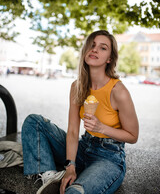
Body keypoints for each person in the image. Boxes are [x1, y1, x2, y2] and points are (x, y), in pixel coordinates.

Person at [22, 30, 139, 194]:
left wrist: (101, 128)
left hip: (108, 157)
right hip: (83, 147)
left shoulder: (119, 91)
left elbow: (133, 136)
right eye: (92, 45)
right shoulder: (77, 86)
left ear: (110, 58)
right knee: (34, 122)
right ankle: (50, 177)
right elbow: (72, 130)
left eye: (103, 47)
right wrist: (70, 164)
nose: (95, 49)